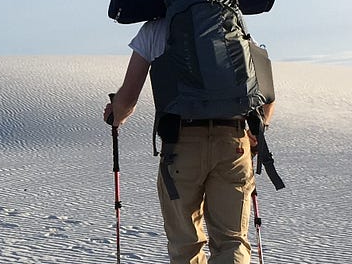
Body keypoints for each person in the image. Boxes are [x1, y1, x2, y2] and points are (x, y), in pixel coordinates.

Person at [103, 16, 276, 264]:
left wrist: (116, 116)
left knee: (185, 246)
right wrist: (256, 134)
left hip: (180, 147)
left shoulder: (155, 30)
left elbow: (128, 99)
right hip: (233, 144)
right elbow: (267, 95)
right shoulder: (232, 23)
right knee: (232, 241)